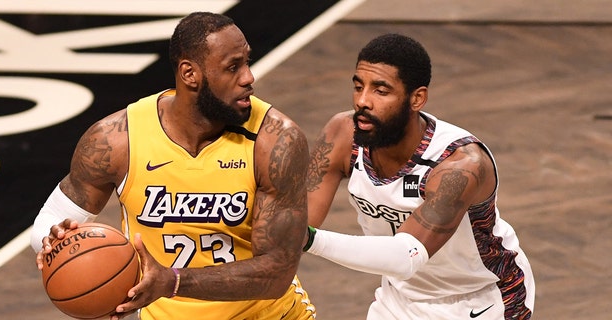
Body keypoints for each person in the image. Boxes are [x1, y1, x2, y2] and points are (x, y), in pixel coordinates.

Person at [31, 12, 315, 320]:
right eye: (233, 67)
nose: (248, 77)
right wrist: (53, 239)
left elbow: (277, 272)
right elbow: (55, 218)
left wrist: (172, 281)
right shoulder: (116, 140)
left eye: (247, 62)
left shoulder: (275, 142)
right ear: (189, 74)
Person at [303, 33, 535, 319]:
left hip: (479, 300)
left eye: (381, 90)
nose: (362, 101)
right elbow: (301, 220)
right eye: (358, 86)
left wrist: (310, 240)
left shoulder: (460, 166)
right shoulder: (342, 133)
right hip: (400, 296)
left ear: (417, 98)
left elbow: (405, 256)